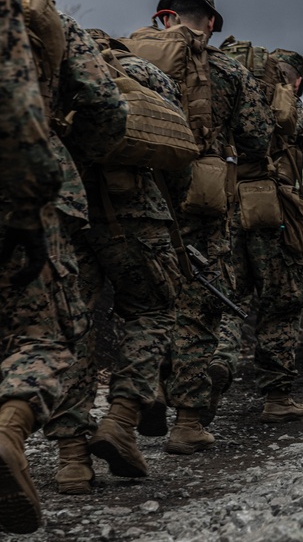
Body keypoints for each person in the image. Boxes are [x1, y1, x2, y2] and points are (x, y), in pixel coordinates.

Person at [124, 0, 275, 454]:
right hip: (201, 202)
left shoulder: (128, 55)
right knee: (199, 306)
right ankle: (188, 423)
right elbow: (257, 141)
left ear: (165, 16)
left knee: (142, 304)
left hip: (134, 196)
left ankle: (141, 389)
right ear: (210, 22)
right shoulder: (229, 72)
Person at [43, 30, 184, 494]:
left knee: (72, 329)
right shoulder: (138, 71)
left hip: (63, 213)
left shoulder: (36, 64)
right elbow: (177, 145)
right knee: (154, 309)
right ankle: (121, 420)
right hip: (133, 213)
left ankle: (71, 461)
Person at [210, 46, 303, 423]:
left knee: (227, 299)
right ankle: (277, 398)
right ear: (292, 80)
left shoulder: (223, 101)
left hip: (224, 208)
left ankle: (217, 364)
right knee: (281, 304)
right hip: (277, 214)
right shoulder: (300, 114)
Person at [0, 0, 68, 535]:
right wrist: (34, 195)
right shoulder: (23, 1)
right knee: (38, 335)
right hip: (8, 192)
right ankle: (7, 435)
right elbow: (18, 99)